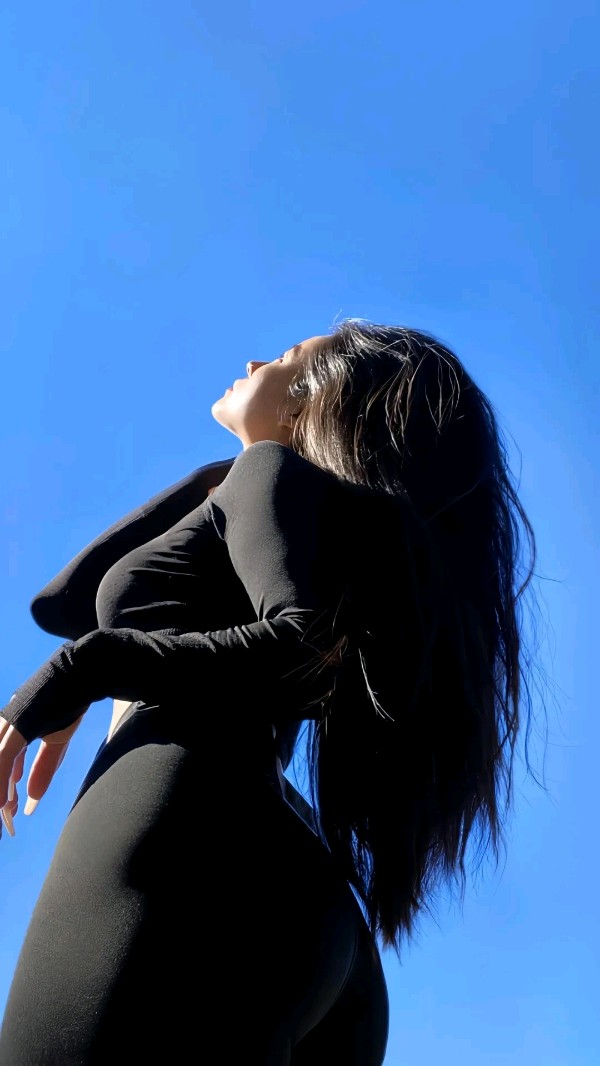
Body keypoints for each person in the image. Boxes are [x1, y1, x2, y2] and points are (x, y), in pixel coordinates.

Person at [0, 320, 538, 1065]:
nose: (254, 359)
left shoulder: (270, 475)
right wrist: (227, 474)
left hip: (181, 825)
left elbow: (302, 642)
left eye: (285, 358)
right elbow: (68, 600)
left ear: (319, 401)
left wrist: (82, 671)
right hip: (308, 901)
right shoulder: (275, 492)